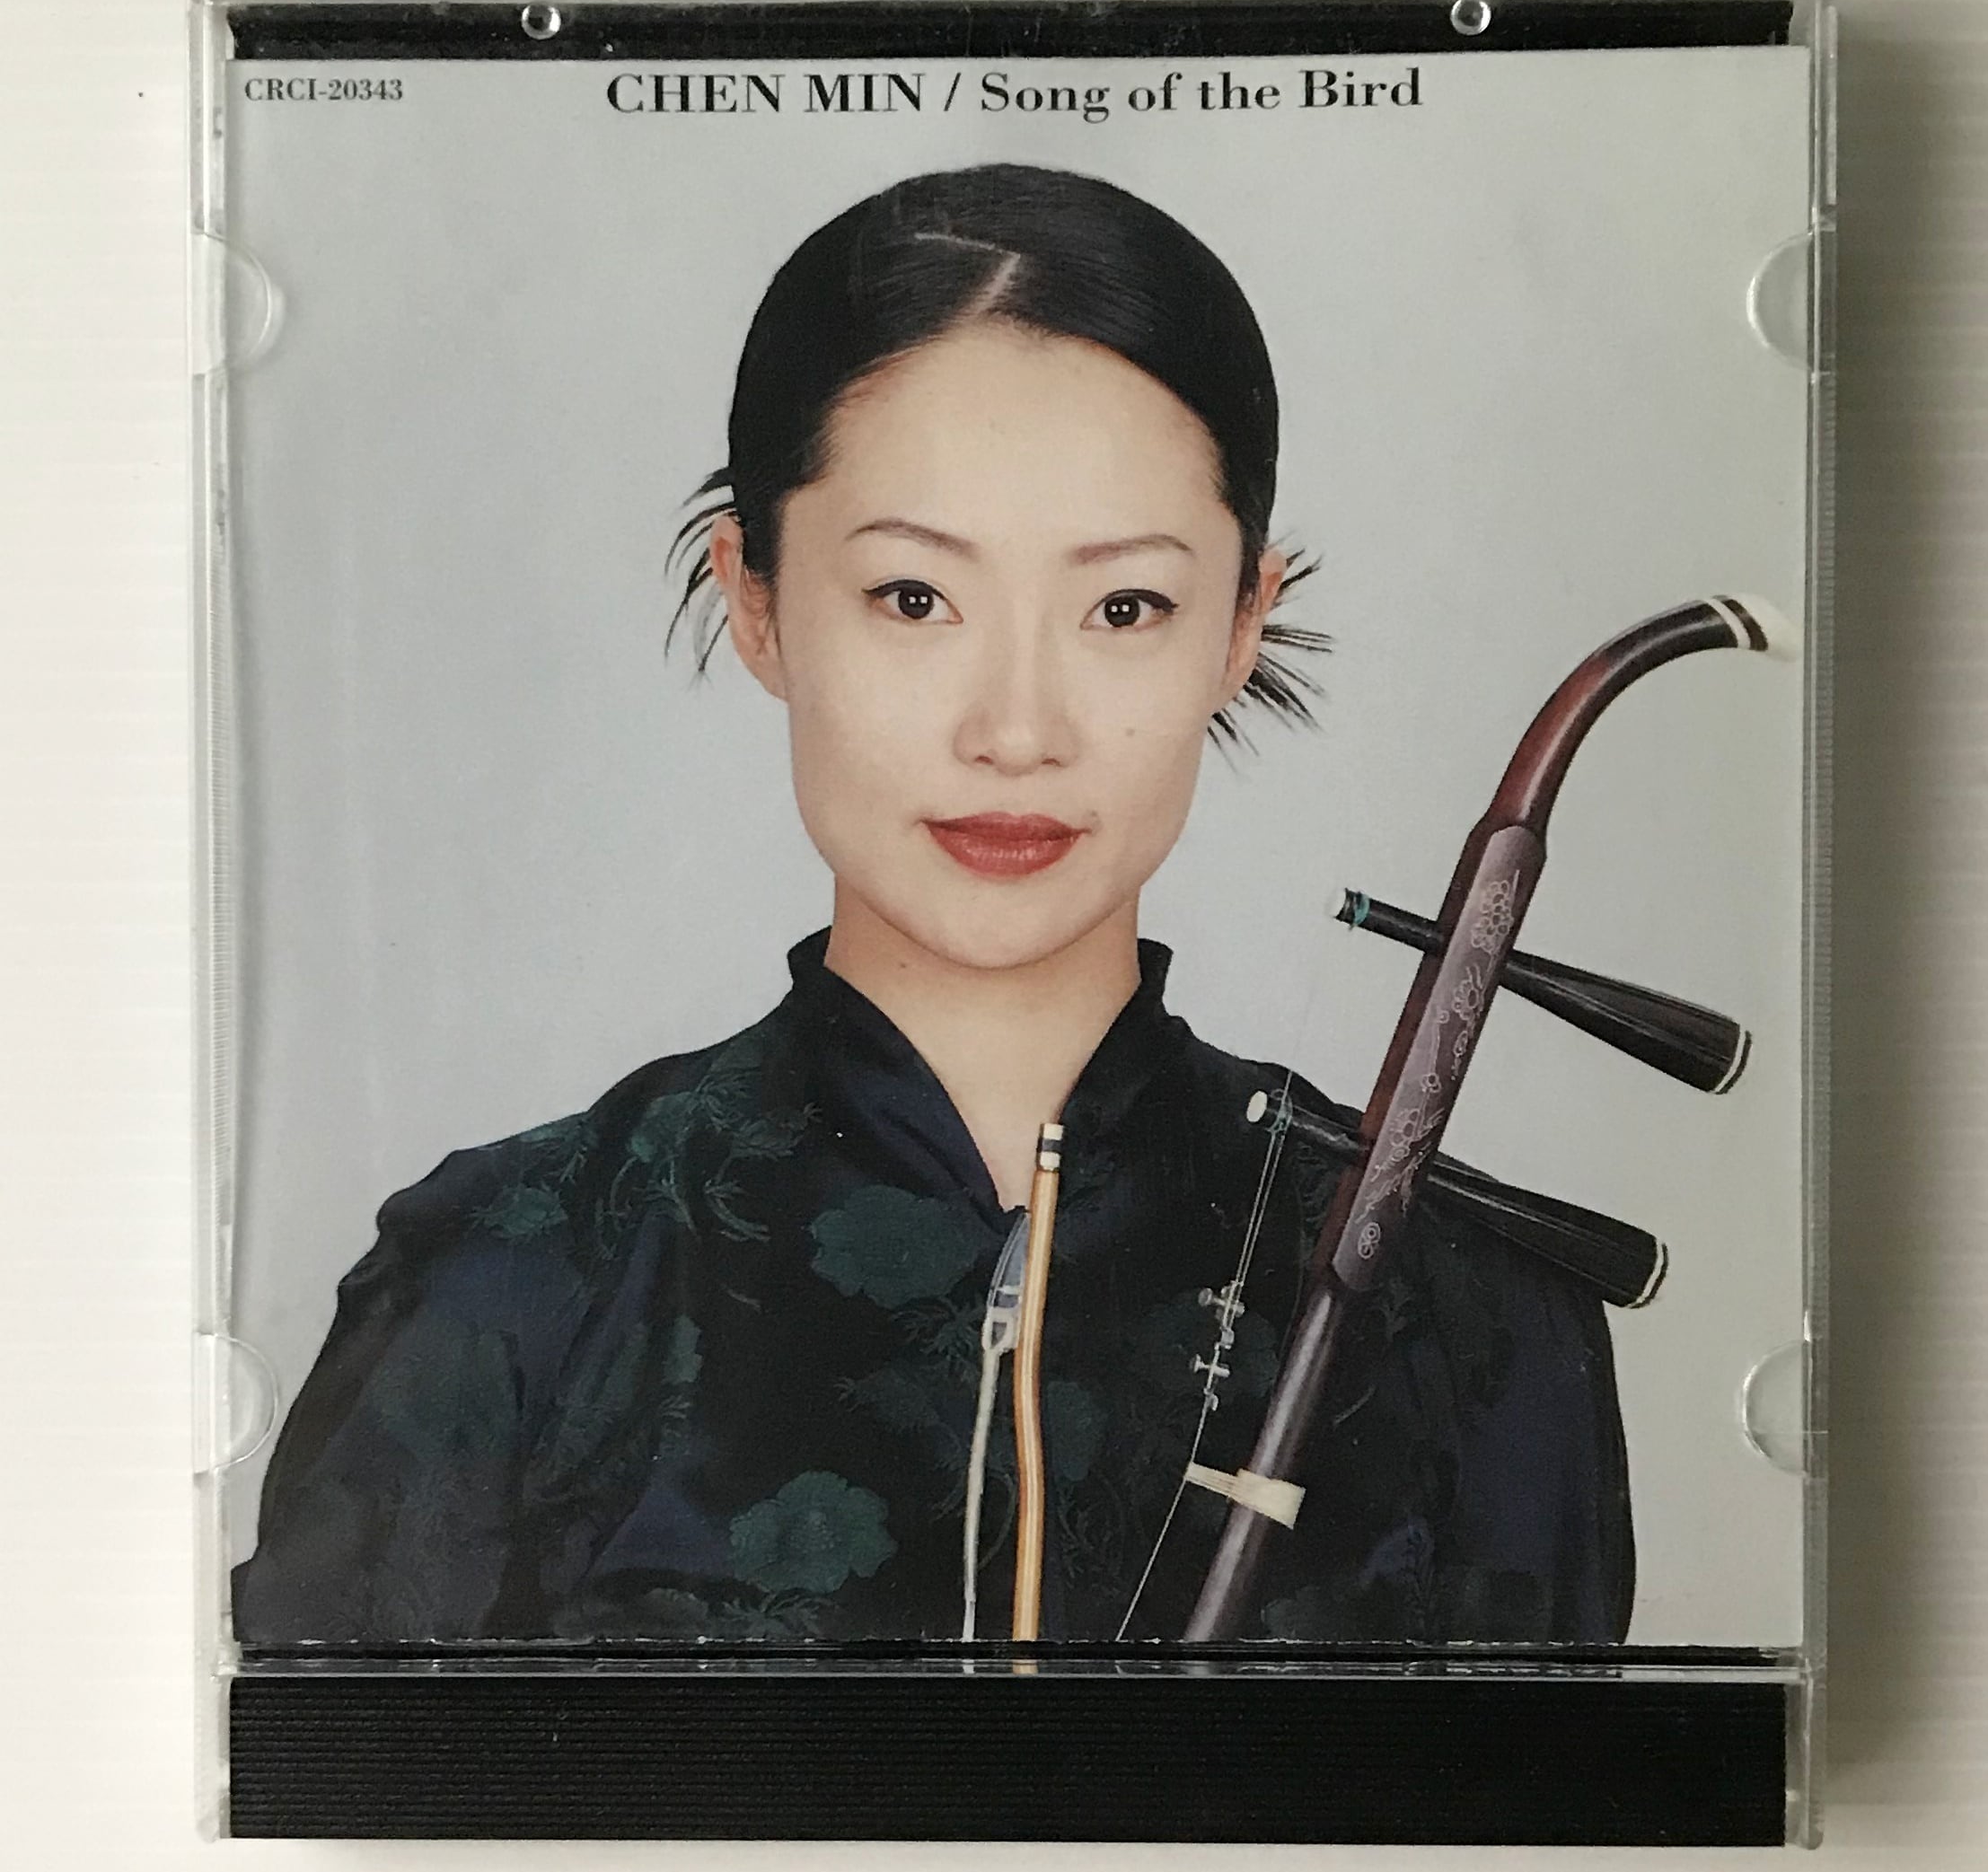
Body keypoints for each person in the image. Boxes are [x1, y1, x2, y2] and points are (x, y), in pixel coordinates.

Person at [233, 163, 1633, 1648]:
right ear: (756, 598)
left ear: (1240, 624)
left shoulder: (1470, 1316)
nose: (1015, 729)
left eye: (1123, 607)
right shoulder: (509, 1279)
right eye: (913, 598)